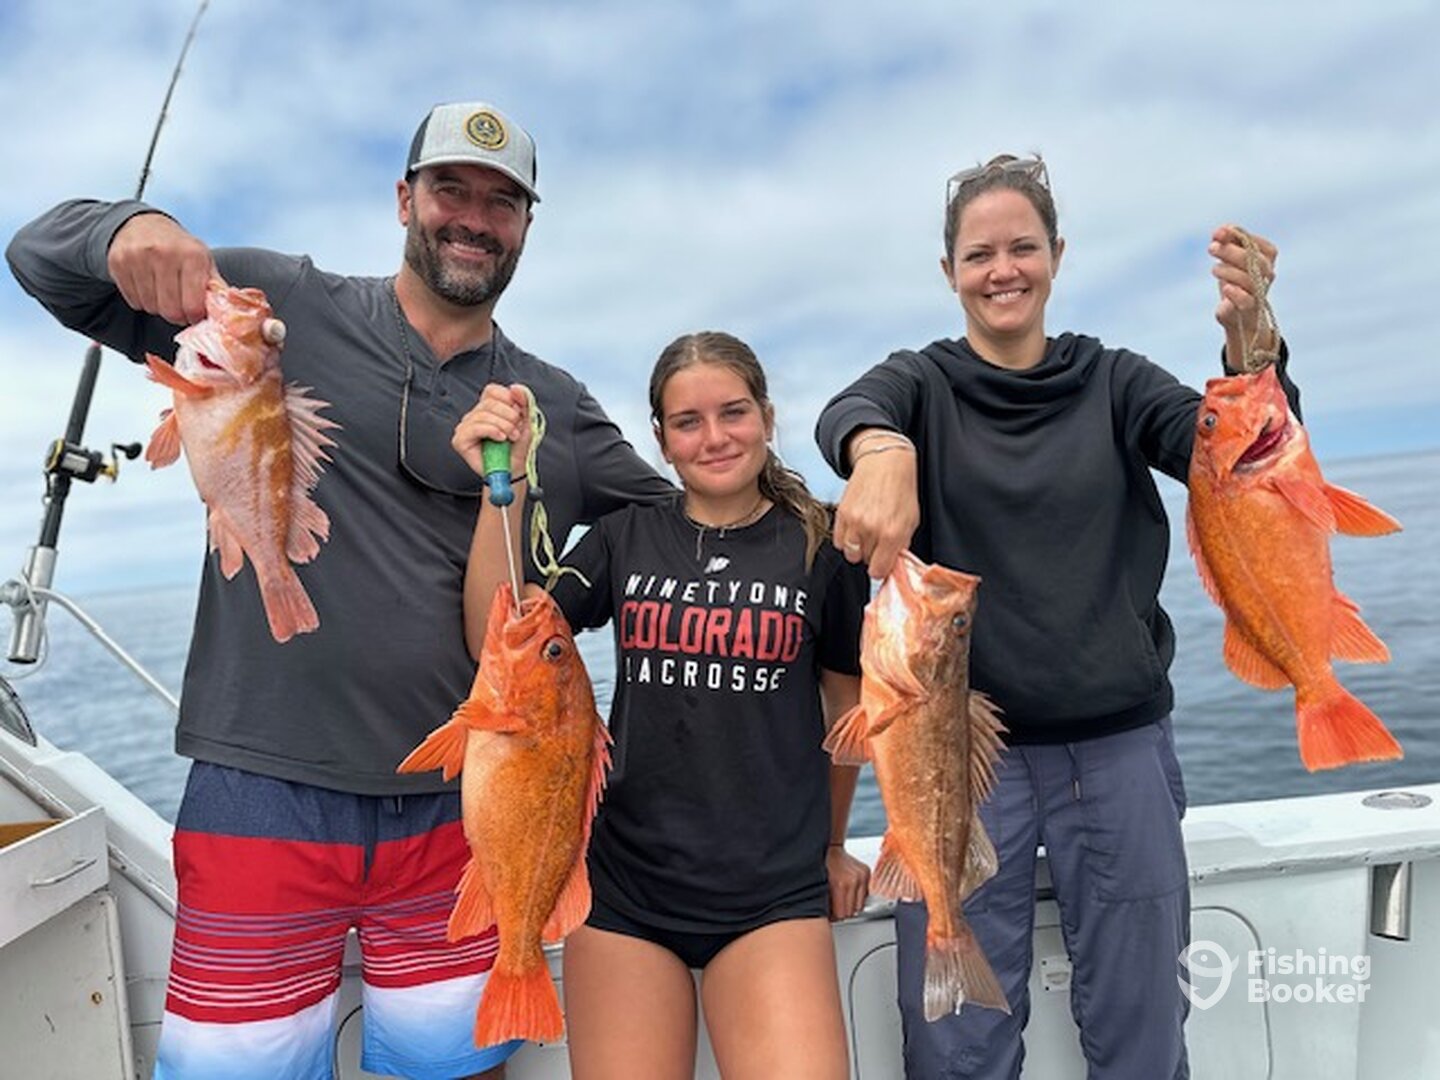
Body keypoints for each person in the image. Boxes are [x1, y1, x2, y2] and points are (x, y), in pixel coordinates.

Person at [6, 101, 673, 1080]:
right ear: (405, 197)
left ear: (527, 226)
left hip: (460, 813)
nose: (473, 218)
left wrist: (869, 461)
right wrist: (129, 232)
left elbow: (688, 520)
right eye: (451, 189)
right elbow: (38, 259)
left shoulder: (553, 403)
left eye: (502, 202)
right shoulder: (276, 305)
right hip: (260, 794)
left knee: (453, 1070)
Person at [813, 155, 1301, 1079]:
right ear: (950, 270)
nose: (1003, 270)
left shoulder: (1112, 380)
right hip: (958, 752)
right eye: (978, 253)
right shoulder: (920, 385)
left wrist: (1253, 350)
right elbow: (852, 410)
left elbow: (1233, 457)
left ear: (1057, 255)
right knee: (957, 1037)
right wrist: (878, 448)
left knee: (1142, 1014)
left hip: (1119, 749)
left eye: (1022, 248)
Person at [455, 331, 873, 1079]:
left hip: (772, 894)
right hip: (625, 896)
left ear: (768, 418)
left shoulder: (823, 549)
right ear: (662, 439)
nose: (714, 438)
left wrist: (836, 846)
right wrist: (506, 487)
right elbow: (505, 622)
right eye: (688, 422)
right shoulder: (623, 538)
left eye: (733, 413)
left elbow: (845, 715)